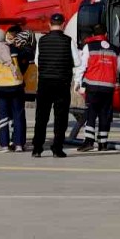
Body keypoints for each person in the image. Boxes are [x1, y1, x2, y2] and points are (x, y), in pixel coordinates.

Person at [74, 22, 120, 152]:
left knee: (91, 113)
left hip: (93, 87)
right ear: (106, 34)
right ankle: (103, 143)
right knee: (105, 115)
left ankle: (89, 141)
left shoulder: (88, 47)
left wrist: (77, 82)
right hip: (108, 88)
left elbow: (81, 67)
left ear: (94, 35)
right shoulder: (115, 49)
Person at [31, 13, 78, 158]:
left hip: (45, 82)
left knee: (41, 117)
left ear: (49, 25)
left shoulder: (42, 40)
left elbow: (37, 62)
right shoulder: (68, 41)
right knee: (60, 117)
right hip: (62, 83)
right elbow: (78, 62)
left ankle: (37, 148)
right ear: (63, 24)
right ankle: (57, 148)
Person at [0, 27, 27, 152]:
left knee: (3, 116)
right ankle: (19, 144)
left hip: (0, 87)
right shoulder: (15, 49)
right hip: (16, 86)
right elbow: (25, 62)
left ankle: (4, 144)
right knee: (18, 115)